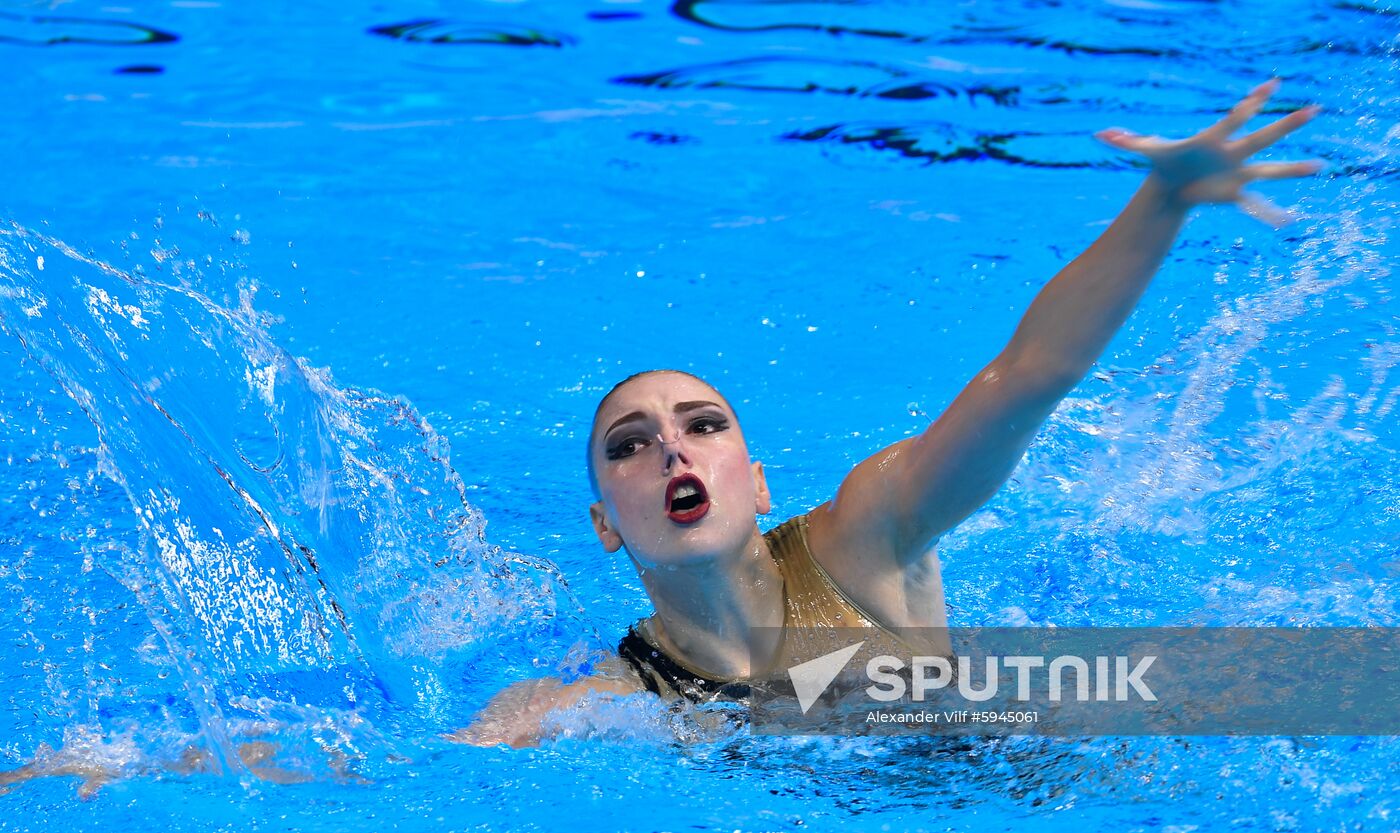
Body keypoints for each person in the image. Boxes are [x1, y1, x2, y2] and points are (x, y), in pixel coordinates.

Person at [451, 79, 1322, 747]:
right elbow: (427, 770)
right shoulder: (615, 698)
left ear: (757, 484)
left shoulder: (867, 534)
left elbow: (1027, 377)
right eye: (631, 445)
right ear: (605, 523)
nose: (673, 451)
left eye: (702, 424)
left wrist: (1160, 204)